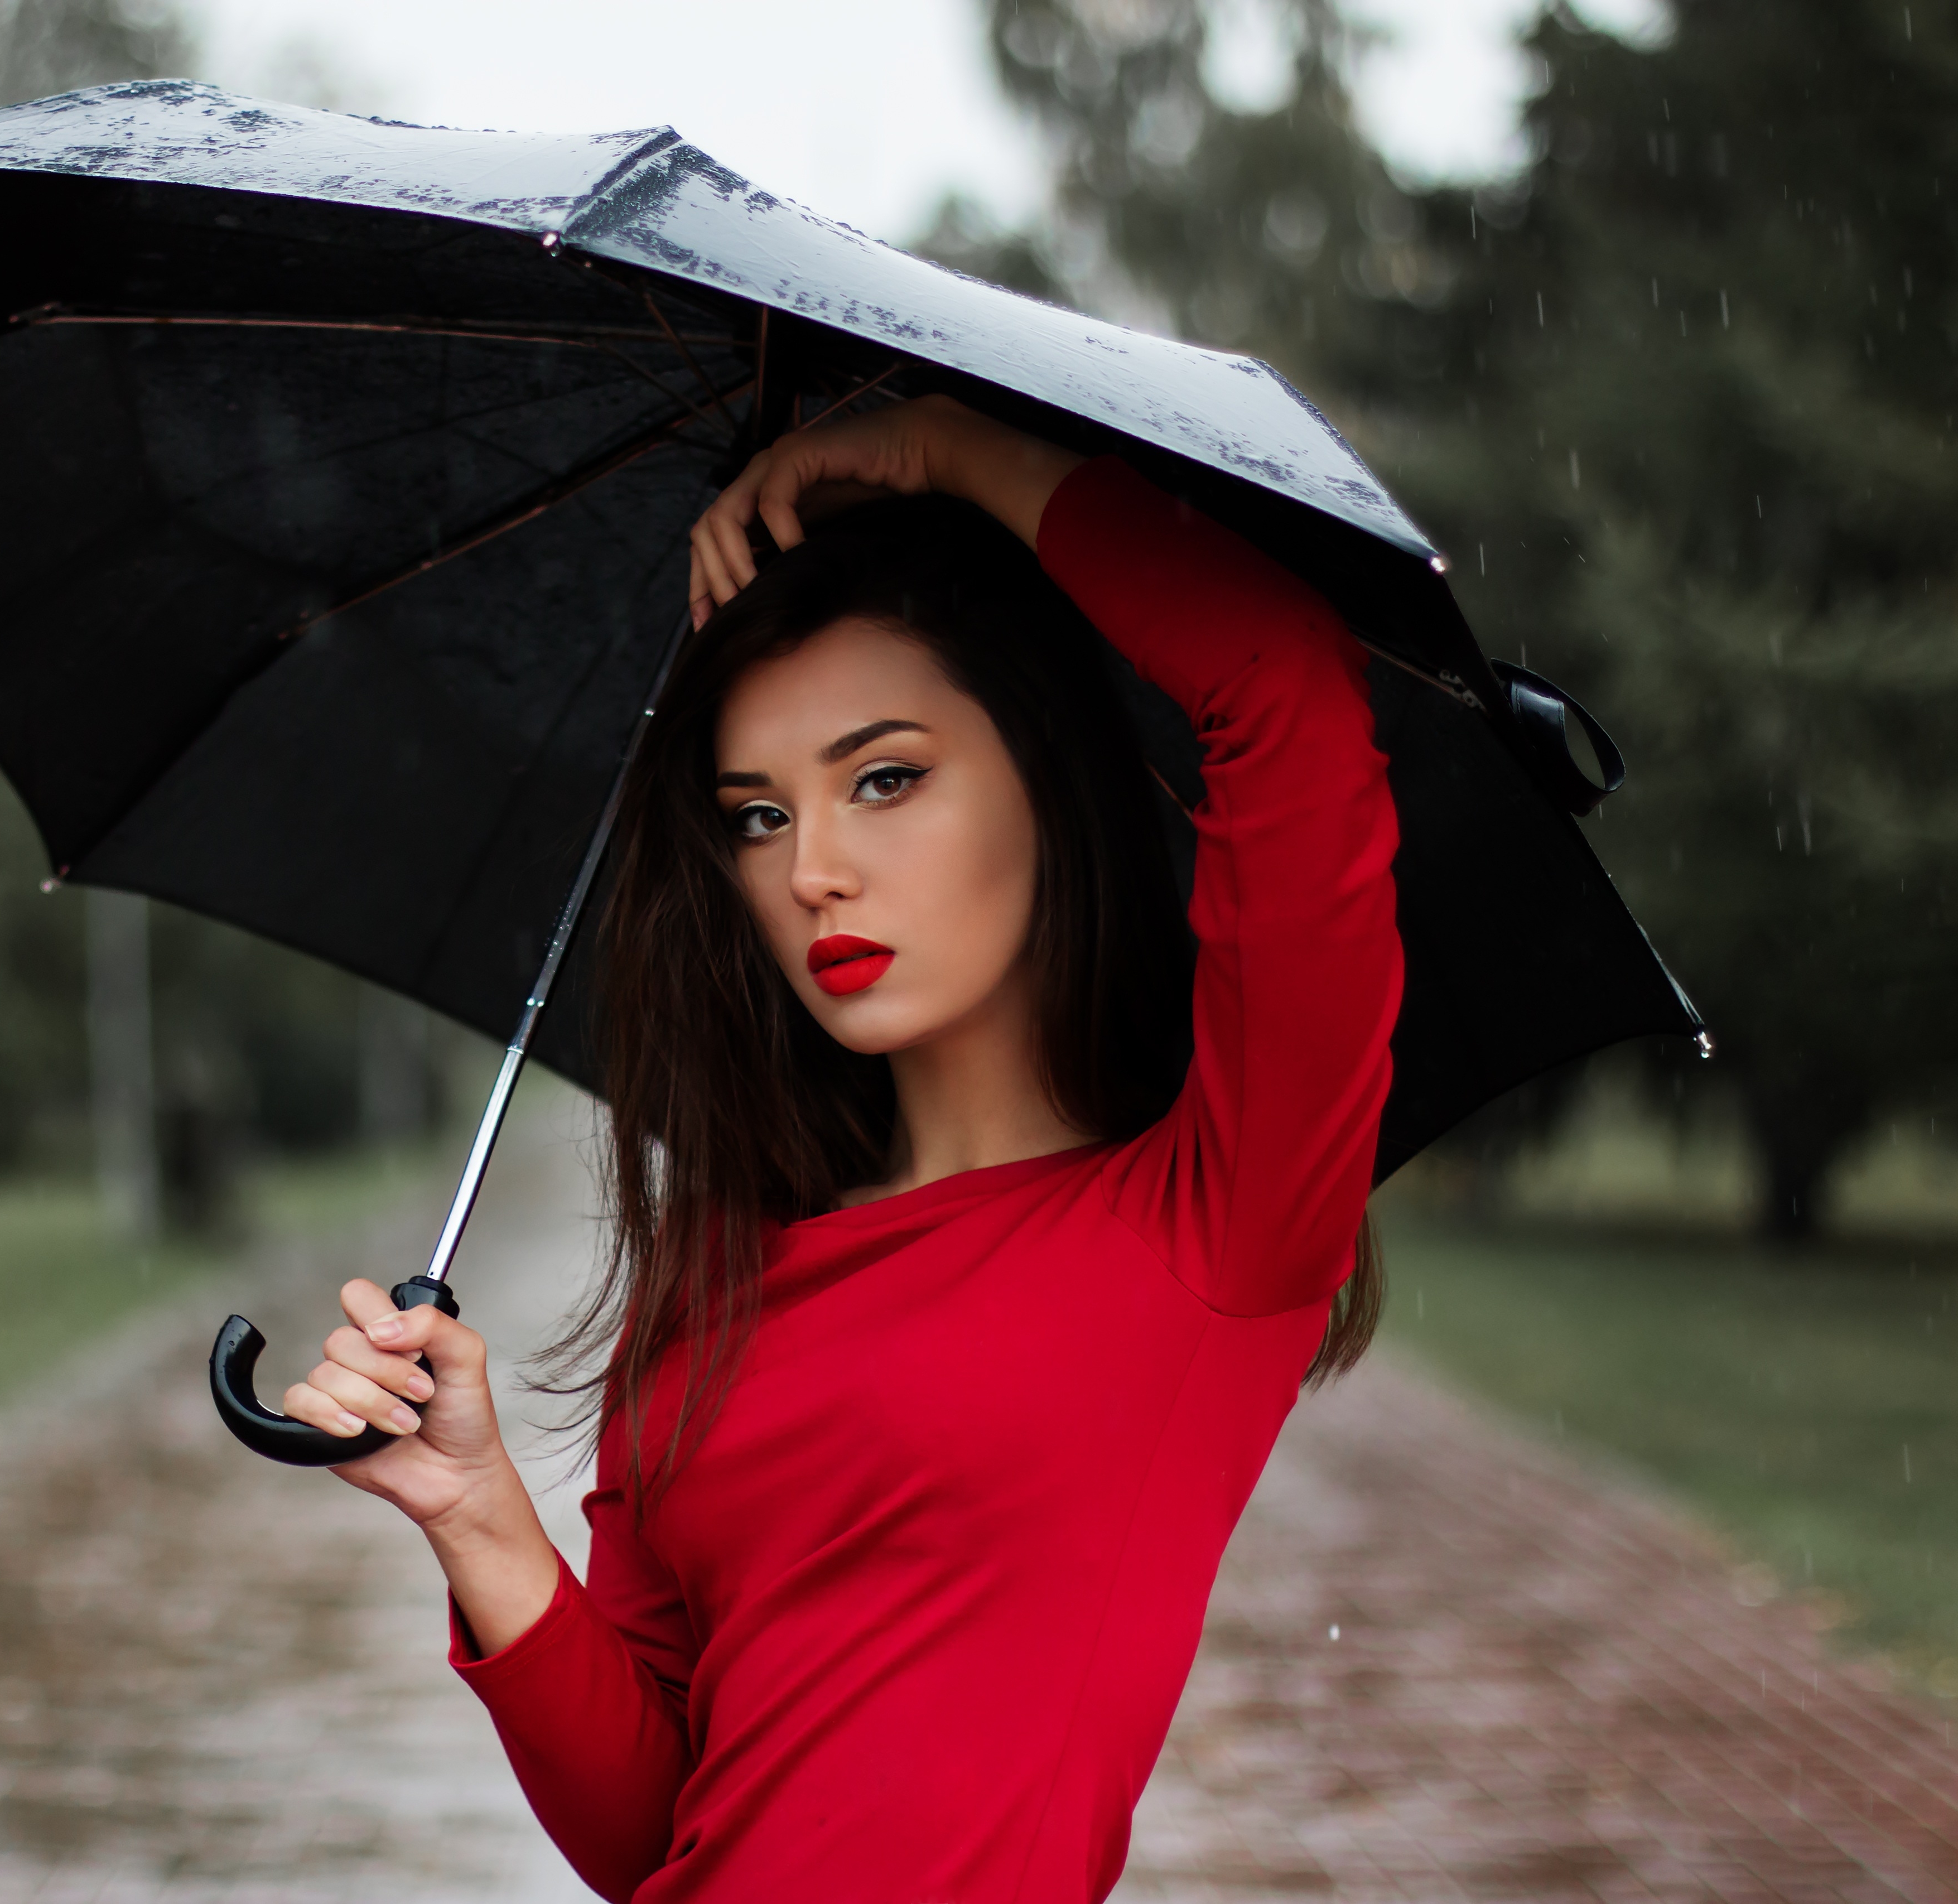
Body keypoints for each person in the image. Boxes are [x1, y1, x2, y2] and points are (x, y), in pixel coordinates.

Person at [273, 393, 1402, 1902]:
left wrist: (946, 455)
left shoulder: (1218, 1220)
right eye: (755, 817)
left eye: (885, 777)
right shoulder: (717, 1284)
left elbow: (1285, 686)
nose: (813, 871)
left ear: (1046, 784)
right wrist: (477, 1516)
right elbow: (653, 1832)